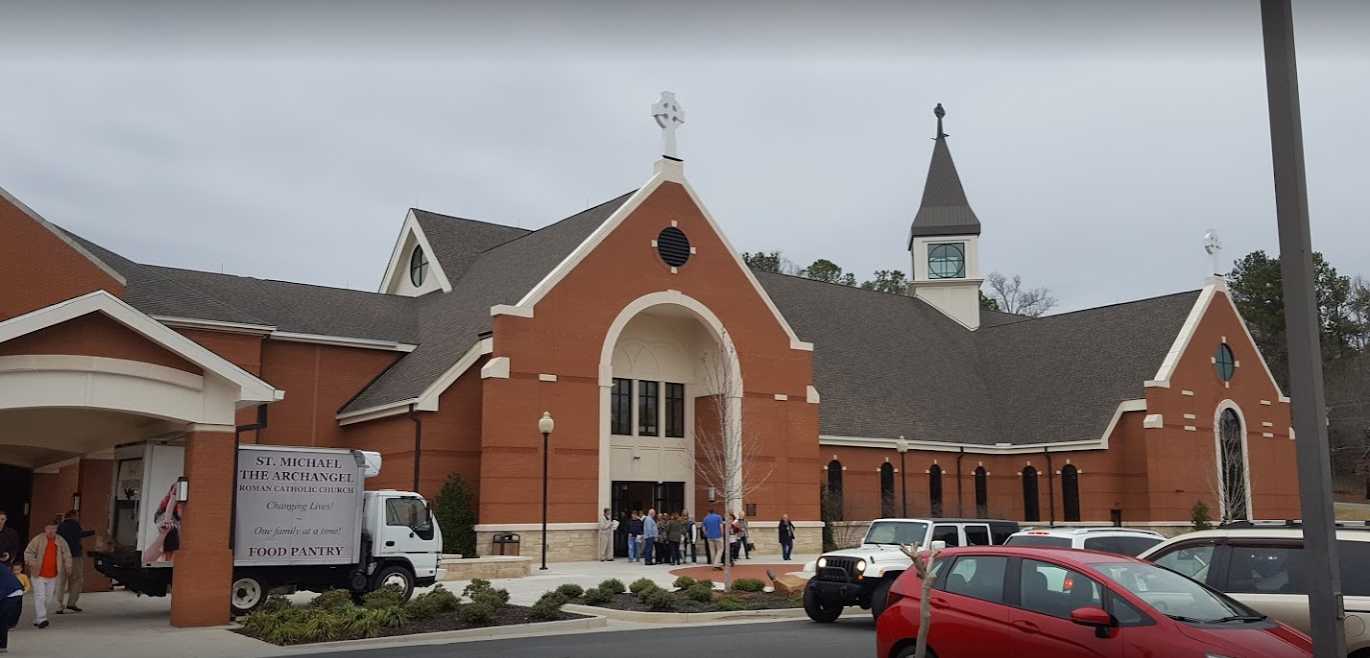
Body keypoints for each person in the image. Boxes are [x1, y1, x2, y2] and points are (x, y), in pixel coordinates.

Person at [23, 519, 71, 629]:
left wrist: (68, 566)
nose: (51, 531)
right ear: (45, 529)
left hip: (53, 575)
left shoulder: (60, 540)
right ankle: (42, 619)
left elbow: (67, 554)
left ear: (56, 529)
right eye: (49, 528)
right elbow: (28, 552)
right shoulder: (38, 539)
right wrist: (32, 562)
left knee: (48, 598)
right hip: (38, 574)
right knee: (40, 596)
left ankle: (38, 618)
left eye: (53, 528)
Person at [56, 510, 93, 614]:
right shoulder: (75, 524)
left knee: (61, 581)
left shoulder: (60, 526)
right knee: (77, 579)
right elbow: (79, 535)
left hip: (62, 556)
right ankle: (71, 603)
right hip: (75, 555)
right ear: (74, 516)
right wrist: (93, 532)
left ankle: (59, 605)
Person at [1, 564, 24, 654]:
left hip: (9, 592)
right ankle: (2, 646)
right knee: (3, 619)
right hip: (16, 591)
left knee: (2, 618)